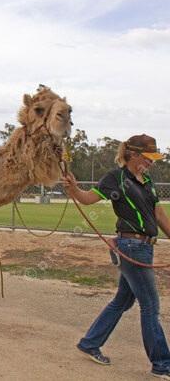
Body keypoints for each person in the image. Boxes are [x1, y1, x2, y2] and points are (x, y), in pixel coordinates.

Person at [63, 134, 170, 379]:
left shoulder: (148, 181)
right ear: (133, 155)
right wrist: (74, 188)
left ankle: (90, 342)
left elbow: (160, 216)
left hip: (144, 248)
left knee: (123, 301)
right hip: (131, 247)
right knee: (151, 307)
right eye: (148, 158)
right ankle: (162, 364)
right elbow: (88, 199)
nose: (151, 162)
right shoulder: (115, 178)